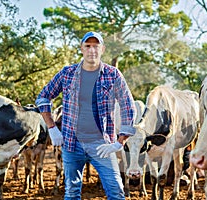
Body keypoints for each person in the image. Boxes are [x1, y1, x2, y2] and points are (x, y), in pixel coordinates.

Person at [35, 31, 136, 200]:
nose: (92, 50)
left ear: (102, 49)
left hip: (103, 145)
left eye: (96, 46)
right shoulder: (67, 73)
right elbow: (43, 96)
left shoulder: (113, 75)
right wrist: (52, 128)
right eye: (87, 46)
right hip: (72, 143)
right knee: (72, 192)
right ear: (81, 49)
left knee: (116, 191)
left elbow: (128, 106)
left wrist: (119, 143)